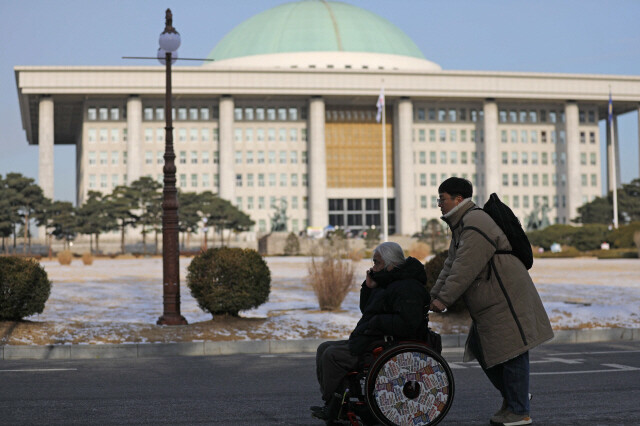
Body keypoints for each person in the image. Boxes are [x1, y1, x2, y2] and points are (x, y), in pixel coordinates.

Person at [429, 177, 553, 426]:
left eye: (442, 199)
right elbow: (451, 264)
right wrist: (433, 295)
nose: (439, 204)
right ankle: (515, 398)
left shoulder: (474, 222)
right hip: (494, 299)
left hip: (507, 297)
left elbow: (465, 267)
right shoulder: (462, 224)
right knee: (482, 347)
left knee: (513, 351)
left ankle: (519, 409)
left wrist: (444, 299)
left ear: (458, 199)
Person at [311, 241, 430, 422]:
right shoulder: (388, 282)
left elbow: (407, 324)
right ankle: (334, 402)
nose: (373, 267)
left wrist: (377, 322)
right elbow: (367, 310)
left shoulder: (408, 287)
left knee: (332, 355)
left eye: (377, 263)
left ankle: (333, 406)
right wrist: (368, 287)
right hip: (373, 339)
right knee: (323, 348)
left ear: (390, 265)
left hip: (386, 345)